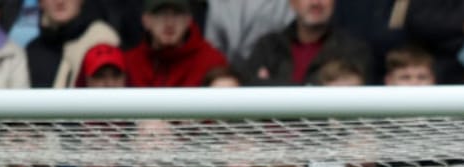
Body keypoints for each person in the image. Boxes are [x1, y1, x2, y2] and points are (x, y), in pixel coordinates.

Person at [238, 0, 371, 85]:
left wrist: (272, 86)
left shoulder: (352, 51)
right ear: (292, 3)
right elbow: (249, 91)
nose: (316, 3)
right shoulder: (268, 47)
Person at [122, 0, 228, 88]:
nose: (169, 23)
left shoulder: (211, 63)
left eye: (177, 14)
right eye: (161, 14)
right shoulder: (129, 64)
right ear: (146, 20)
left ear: (188, 20)